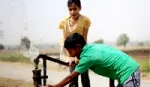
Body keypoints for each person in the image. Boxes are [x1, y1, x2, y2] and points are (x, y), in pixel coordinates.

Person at [44, 33, 140, 87]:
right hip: (126, 73)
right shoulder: (91, 48)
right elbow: (110, 65)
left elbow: (70, 78)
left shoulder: (87, 58)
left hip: (129, 72)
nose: (70, 55)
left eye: (70, 51)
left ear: (78, 47)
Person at [58, 0, 91, 87]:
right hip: (69, 50)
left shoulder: (85, 21)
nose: (72, 12)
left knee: (84, 76)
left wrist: (82, 56)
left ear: (80, 8)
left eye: (75, 9)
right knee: (73, 74)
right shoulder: (65, 22)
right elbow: (65, 41)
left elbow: (84, 39)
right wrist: (70, 57)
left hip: (81, 49)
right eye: (70, 9)